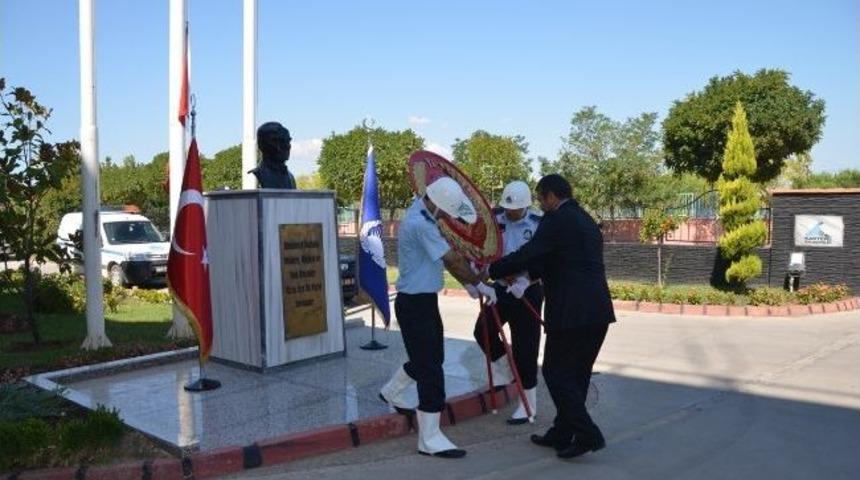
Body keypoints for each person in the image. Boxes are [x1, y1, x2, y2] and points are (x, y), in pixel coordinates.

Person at [488, 174, 615, 459]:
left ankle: (587, 433)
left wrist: (492, 270)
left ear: (550, 196)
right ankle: (563, 431)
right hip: (598, 311)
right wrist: (526, 277)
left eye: (541, 198)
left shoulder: (555, 220)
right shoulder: (584, 219)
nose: (540, 204)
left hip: (572, 313)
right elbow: (555, 261)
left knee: (555, 373)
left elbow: (531, 252)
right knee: (577, 375)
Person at [379, 176, 497, 459]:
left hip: (421, 301)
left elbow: (450, 256)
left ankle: (392, 392)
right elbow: (452, 259)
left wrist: (469, 283)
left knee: (429, 358)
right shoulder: (421, 223)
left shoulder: (420, 212)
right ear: (436, 202)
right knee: (431, 367)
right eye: (445, 210)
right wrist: (478, 284)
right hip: (415, 304)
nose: (445, 215)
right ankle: (429, 438)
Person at [472, 180, 544, 425]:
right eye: (507, 207)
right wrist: (487, 271)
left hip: (528, 290)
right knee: (483, 331)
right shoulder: (495, 221)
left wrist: (525, 279)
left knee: (526, 347)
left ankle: (529, 405)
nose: (510, 212)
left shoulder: (538, 224)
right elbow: (483, 253)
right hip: (501, 288)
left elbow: (545, 258)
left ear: (526, 205)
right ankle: (505, 371)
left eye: (515, 208)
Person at [250, 121, 297, 189]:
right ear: (265, 145)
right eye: (281, 142)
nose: (288, 146)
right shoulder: (257, 176)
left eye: (288, 141)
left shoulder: (290, 177)